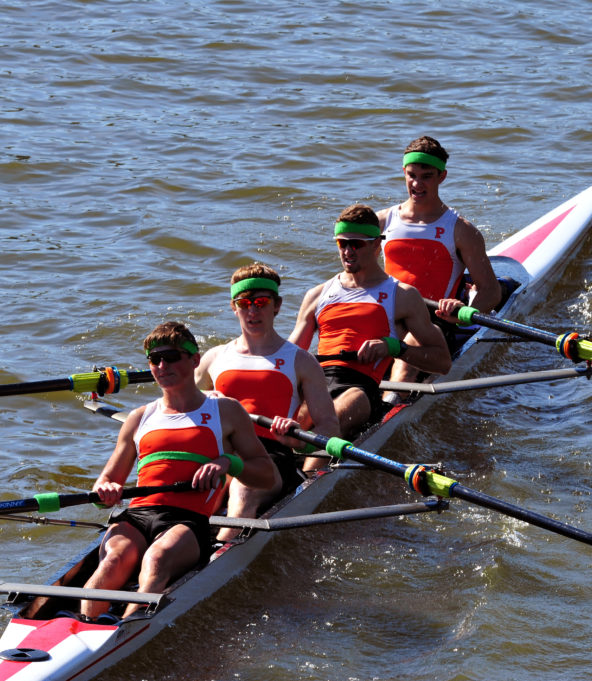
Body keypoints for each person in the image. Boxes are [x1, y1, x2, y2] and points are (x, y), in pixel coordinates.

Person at [81, 321, 279, 621]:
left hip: (188, 521)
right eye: (155, 359)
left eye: (172, 357)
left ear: (195, 360)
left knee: (158, 559)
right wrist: (104, 493)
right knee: (112, 561)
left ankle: (126, 630)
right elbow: (106, 482)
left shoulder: (225, 411)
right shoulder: (139, 417)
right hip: (137, 515)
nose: (163, 365)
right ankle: (84, 627)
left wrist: (228, 463)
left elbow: (267, 475)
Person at [196, 264, 341, 541]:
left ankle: (222, 549)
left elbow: (330, 427)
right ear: (233, 306)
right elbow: (175, 412)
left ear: (277, 306)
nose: (253, 311)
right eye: (244, 303)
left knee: (244, 487)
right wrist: (203, 401)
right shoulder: (214, 358)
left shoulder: (300, 361)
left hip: (272, 456)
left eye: (261, 303)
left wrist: (298, 441)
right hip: (219, 453)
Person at [289, 204, 451, 438]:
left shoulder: (403, 296)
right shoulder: (317, 295)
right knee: (289, 422)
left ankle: (311, 469)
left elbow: (443, 363)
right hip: (317, 381)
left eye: (356, 244)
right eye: (342, 243)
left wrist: (394, 347)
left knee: (331, 423)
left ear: (376, 244)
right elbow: (289, 355)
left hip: (360, 388)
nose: (347, 251)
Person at [377, 136, 501, 394]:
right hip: (390, 313)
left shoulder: (461, 231)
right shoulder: (381, 222)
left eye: (427, 176)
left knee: (409, 351)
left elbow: (491, 291)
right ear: (403, 172)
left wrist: (464, 312)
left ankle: (392, 404)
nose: (417, 183)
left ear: (442, 177)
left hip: (433, 319)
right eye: (411, 175)